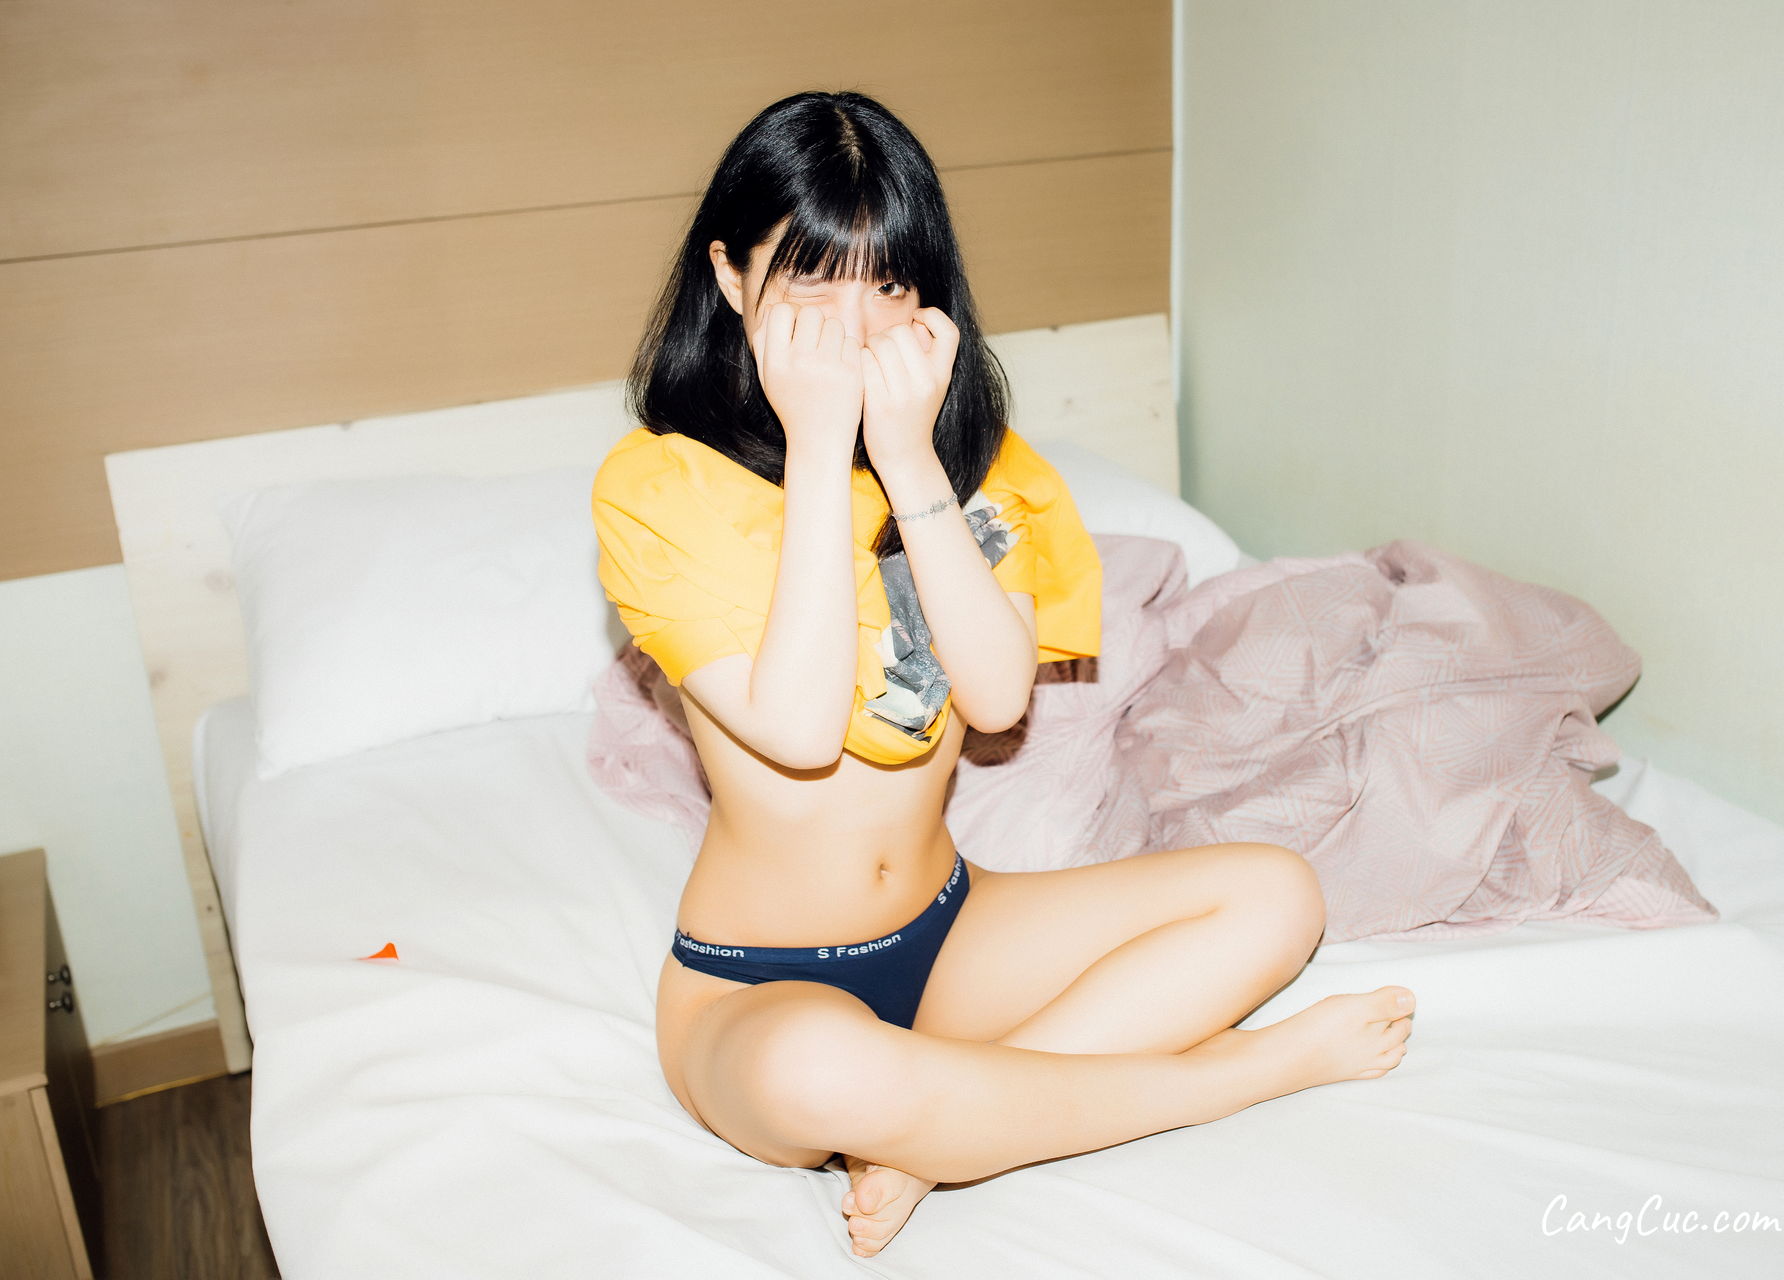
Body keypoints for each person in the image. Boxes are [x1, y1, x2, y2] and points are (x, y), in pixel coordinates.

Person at [593, 90, 1413, 1259]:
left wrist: (911, 456)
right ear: (731, 278)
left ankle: (937, 1132)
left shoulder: (984, 464)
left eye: (888, 284)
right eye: (813, 280)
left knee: (1278, 894)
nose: (857, 326)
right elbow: (803, 726)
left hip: (952, 928)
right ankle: (1233, 1074)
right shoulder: (659, 488)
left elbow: (994, 697)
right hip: (755, 985)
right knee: (824, 1065)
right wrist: (820, 443)